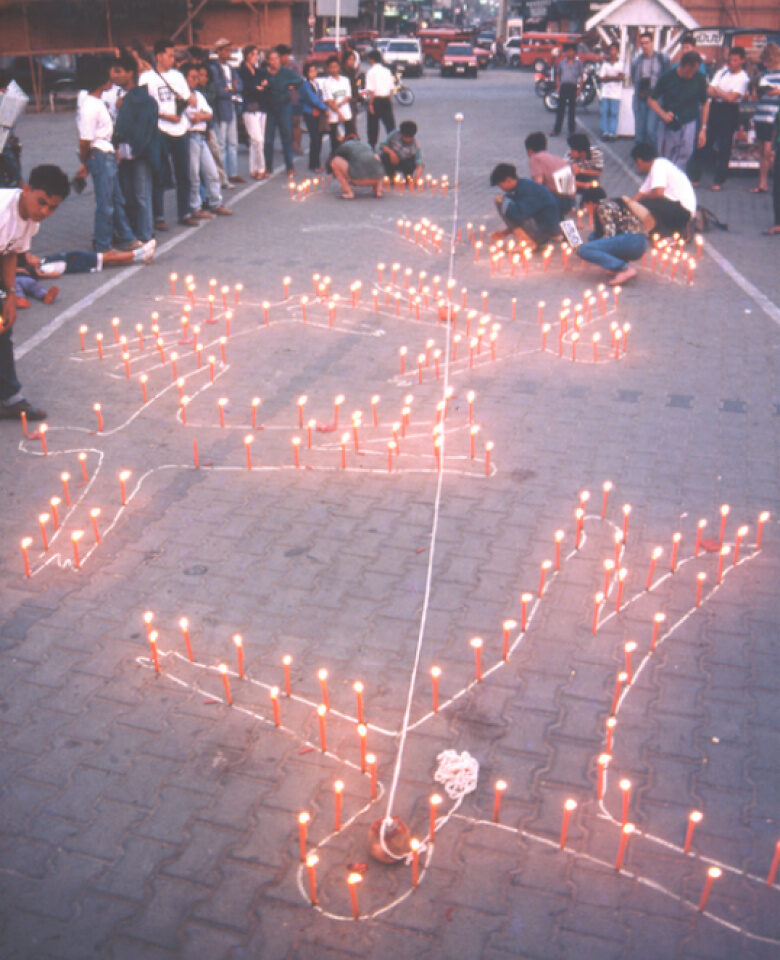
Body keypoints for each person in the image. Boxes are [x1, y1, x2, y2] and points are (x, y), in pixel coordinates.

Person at [0, 165, 70, 421]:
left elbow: (10, 252)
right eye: (41, 202)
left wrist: (9, 294)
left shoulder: (30, 221)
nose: (44, 212)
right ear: (27, 189)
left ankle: (9, 398)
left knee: (3, 327)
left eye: (52, 208)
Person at [75, 57, 141, 255]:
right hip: (99, 156)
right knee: (106, 203)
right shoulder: (89, 106)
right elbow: (85, 140)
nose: (112, 80)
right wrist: (85, 161)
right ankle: (103, 245)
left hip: (107, 154)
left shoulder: (97, 103)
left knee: (116, 199)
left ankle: (127, 237)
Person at [140, 39, 198, 228]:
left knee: (184, 174)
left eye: (174, 55)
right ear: (159, 56)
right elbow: (144, 105)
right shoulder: (146, 78)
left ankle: (185, 212)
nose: (173, 59)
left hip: (179, 129)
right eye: (170, 55)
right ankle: (158, 216)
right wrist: (165, 116)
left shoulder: (178, 76)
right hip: (160, 130)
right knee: (159, 173)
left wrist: (186, 105)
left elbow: (188, 99)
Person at [112, 51, 160, 246]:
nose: (114, 75)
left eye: (119, 71)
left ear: (130, 73)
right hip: (122, 154)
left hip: (138, 154)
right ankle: (133, 232)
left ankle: (145, 234)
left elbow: (143, 130)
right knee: (128, 194)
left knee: (141, 194)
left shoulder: (143, 99)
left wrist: (133, 149)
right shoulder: (116, 96)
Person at [686, 46, 749, 191]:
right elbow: (709, 90)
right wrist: (724, 93)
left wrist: (719, 91)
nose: (731, 63)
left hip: (729, 111)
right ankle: (695, 176)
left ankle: (719, 180)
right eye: (730, 60)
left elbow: (731, 98)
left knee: (724, 146)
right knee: (704, 142)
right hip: (715, 107)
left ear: (742, 61)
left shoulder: (743, 78)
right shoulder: (722, 72)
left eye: (735, 60)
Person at [182, 63, 232, 219]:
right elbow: (192, 117)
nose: (196, 80)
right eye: (192, 77)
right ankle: (195, 206)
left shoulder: (198, 95)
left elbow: (208, 114)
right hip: (190, 136)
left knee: (212, 171)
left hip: (201, 136)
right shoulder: (182, 97)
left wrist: (201, 116)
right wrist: (201, 116)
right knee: (194, 174)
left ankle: (215, 202)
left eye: (197, 77)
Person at [576, 186, 649, 285]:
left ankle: (624, 269)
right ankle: (619, 264)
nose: (586, 210)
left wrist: (582, 249)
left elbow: (610, 235)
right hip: (641, 242)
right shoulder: (613, 203)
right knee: (593, 237)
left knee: (584, 250)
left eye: (585, 205)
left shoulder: (602, 207)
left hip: (631, 241)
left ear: (591, 203)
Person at [648, 51, 707, 169]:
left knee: (686, 154)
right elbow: (651, 100)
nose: (692, 75)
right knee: (666, 158)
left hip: (689, 122)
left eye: (694, 72)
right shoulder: (667, 77)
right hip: (670, 124)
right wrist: (663, 114)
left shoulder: (700, 78)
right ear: (683, 65)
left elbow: (705, 103)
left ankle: (677, 176)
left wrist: (703, 129)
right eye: (690, 72)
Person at [630, 141, 696, 236]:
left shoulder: (658, 165)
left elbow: (658, 193)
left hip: (684, 211)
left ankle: (675, 229)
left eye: (635, 163)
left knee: (647, 203)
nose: (636, 167)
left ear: (639, 161)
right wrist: (628, 206)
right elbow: (640, 194)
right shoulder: (655, 166)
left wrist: (641, 200)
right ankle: (664, 229)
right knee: (643, 203)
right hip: (680, 208)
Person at [489, 162, 561, 248]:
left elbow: (518, 215)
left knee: (501, 203)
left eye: (501, 185)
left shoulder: (527, 189)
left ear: (508, 180)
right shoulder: (523, 185)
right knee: (505, 203)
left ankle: (528, 243)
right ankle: (529, 240)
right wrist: (505, 233)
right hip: (546, 228)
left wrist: (503, 200)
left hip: (546, 231)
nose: (502, 189)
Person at [262, 48, 301, 177]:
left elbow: (299, 80)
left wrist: (291, 86)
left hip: (284, 107)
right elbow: (258, 85)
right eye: (272, 59)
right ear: (268, 61)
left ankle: (290, 166)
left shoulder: (286, 72)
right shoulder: (264, 73)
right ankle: (268, 167)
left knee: (286, 137)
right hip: (269, 108)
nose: (275, 61)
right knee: (268, 139)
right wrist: (263, 86)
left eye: (276, 58)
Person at [211, 39, 244, 184]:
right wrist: (232, 89)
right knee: (221, 144)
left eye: (230, 50)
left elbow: (240, 85)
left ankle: (233, 173)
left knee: (233, 143)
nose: (228, 53)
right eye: (226, 50)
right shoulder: (214, 69)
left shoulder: (231, 68)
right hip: (221, 109)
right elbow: (219, 90)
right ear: (218, 51)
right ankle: (222, 176)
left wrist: (231, 89)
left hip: (231, 107)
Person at [631, 33, 670, 146]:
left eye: (647, 43)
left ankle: (651, 153)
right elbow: (633, 77)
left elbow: (667, 77)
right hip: (641, 97)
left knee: (651, 129)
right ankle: (640, 153)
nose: (644, 46)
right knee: (640, 129)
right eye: (642, 43)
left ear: (652, 43)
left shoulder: (662, 59)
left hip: (655, 98)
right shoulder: (636, 61)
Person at [751, 43, 780, 195]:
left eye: (767, 60)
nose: (765, 63)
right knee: (762, 151)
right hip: (761, 115)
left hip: (773, 116)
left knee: (769, 151)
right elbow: (759, 94)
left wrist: (776, 91)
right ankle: (762, 184)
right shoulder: (765, 75)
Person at [524, 131, 575, 217]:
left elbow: (538, 184)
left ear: (529, 151)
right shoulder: (558, 159)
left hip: (557, 200)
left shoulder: (535, 158)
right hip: (570, 200)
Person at [238, 45, 269, 180]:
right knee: (258, 139)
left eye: (256, 54)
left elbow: (265, 85)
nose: (255, 57)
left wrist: (261, 87)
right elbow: (245, 89)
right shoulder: (241, 72)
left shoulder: (258, 71)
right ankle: (261, 168)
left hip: (261, 107)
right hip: (249, 108)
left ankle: (253, 168)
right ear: (246, 55)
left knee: (255, 141)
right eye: (252, 54)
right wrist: (257, 88)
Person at [330, 134, 383, 199]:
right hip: (375, 179)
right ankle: (378, 190)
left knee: (335, 161)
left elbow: (333, 158)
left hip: (357, 180)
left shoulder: (345, 145)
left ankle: (348, 192)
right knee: (376, 157)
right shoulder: (367, 145)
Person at [299, 62, 329, 173]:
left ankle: (316, 162)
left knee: (318, 138)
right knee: (315, 138)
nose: (314, 73)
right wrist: (325, 108)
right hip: (310, 113)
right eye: (311, 71)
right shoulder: (306, 85)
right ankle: (314, 164)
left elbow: (319, 97)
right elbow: (313, 99)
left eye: (315, 70)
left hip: (317, 113)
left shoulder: (315, 83)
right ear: (306, 73)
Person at [322, 56, 355, 155]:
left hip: (347, 115)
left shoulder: (345, 80)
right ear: (328, 68)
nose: (334, 69)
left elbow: (348, 96)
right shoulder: (327, 82)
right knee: (335, 142)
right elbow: (329, 101)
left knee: (349, 140)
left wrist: (339, 103)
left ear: (339, 67)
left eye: (335, 67)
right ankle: (335, 159)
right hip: (334, 117)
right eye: (331, 67)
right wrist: (339, 113)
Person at [364, 50, 396, 149]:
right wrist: (389, 101)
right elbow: (391, 89)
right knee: (390, 124)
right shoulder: (387, 71)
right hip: (386, 99)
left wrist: (370, 104)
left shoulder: (370, 72)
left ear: (371, 60)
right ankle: (393, 144)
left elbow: (371, 90)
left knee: (373, 125)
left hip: (375, 100)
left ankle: (372, 145)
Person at [551, 44, 583, 137]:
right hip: (563, 87)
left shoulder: (579, 64)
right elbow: (558, 75)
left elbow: (581, 77)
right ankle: (556, 130)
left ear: (575, 52)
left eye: (572, 51)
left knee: (572, 110)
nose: (570, 53)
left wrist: (579, 89)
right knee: (560, 110)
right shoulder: (562, 63)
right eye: (568, 51)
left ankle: (571, 130)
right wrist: (558, 87)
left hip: (573, 87)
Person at [277, 45, 304, 157]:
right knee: (285, 125)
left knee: (295, 123)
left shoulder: (295, 67)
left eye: (280, 57)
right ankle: (287, 145)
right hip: (282, 100)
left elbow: (300, 81)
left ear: (285, 56)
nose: (279, 59)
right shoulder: (278, 68)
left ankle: (298, 146)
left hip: (295, 99)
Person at [598, 43, 624, 139]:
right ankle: (605, 132)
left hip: (616, 94)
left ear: (617, 51)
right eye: (611, 49)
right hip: (605, 93)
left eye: (614, 49)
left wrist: (608, 77)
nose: (612, 52)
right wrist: (614, 77)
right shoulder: (605, 64)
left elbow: (621, 77)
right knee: (604, 112)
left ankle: (612, 133)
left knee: (613, 113)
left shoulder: (621, 63)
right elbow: (601, 78)